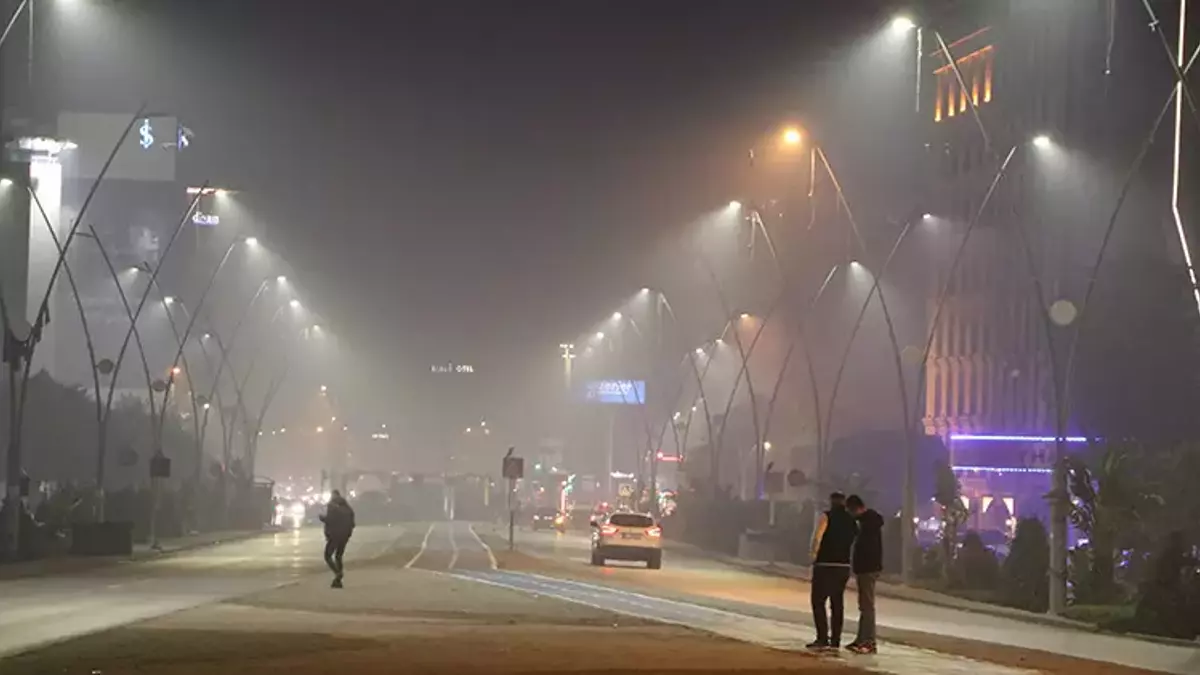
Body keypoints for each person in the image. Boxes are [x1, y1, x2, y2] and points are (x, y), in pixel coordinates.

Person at [807, 492, 857, 650]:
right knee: (837, 602)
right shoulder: (851, 521)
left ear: (831, 502)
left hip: (825, 564)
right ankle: (836, 639)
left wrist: (813, 555)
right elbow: (854, 540)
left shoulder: (826, 517)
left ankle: (822, 637)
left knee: (818, 601)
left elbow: (817, 537)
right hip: (843, 565)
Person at [845, 494, 883, 654]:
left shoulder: (868, 523)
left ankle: (869, 641)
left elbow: (867, 547)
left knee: (867, 606)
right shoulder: (867, 523)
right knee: (864, 605)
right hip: (865, 568)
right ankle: (861, 639)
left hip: (869, 568)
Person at [319, 490, 356, 588]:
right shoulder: (348, 509)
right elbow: (352, 524)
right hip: (345, 536)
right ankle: (338, 579)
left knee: (327, 556)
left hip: (334, 535)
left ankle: (338, 573)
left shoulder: (332, 507)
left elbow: (330, 520)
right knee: (338, 556)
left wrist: (322, 518)